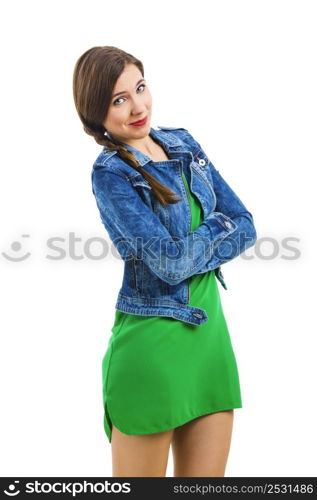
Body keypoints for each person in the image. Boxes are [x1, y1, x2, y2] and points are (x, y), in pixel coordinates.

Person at [72, 45, 257, 477]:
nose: (138, 107)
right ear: (94, 110)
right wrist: (218, 229)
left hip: (209, 341)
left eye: (140, 88)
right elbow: (169, 264)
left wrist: (207, 236)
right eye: (119, 100)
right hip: (151, 350)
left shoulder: (183, 143)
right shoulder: (112, 173)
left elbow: (246, 223)